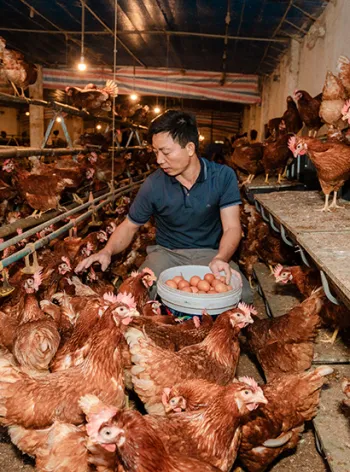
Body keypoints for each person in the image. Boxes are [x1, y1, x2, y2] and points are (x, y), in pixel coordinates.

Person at [76, 110, 253, 303]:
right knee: (136, 295)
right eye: (155, 152)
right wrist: (107, 251)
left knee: (242, 296)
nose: (159, 160)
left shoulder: (222, 176)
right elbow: (129, 226)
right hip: (166, 254)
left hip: (211, 252)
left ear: (190, 148)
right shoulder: (154, 184)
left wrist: (221, 257)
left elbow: (232, 227)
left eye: (166, 152)